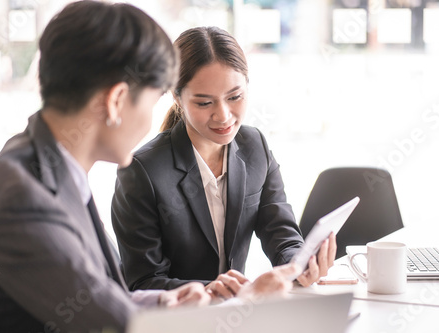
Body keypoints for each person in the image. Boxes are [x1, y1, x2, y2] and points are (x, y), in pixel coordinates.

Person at [0, 2, 299, 332]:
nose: (151, 121)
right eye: (152, 100)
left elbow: (100, 296)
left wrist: (164, 301)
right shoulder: (24, 200)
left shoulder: (41, 166)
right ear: (116, 101)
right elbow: (113, 326)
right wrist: (248, 302)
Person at [111, 26, 337, 301]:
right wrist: (220, 292)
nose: (224, 115)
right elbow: (144, 281)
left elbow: (281, 232)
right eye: (205, 102)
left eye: (235, 97)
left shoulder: (255, 147)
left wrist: (299, 264)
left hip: (237, 316)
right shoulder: (141, 171)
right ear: (177, 98)